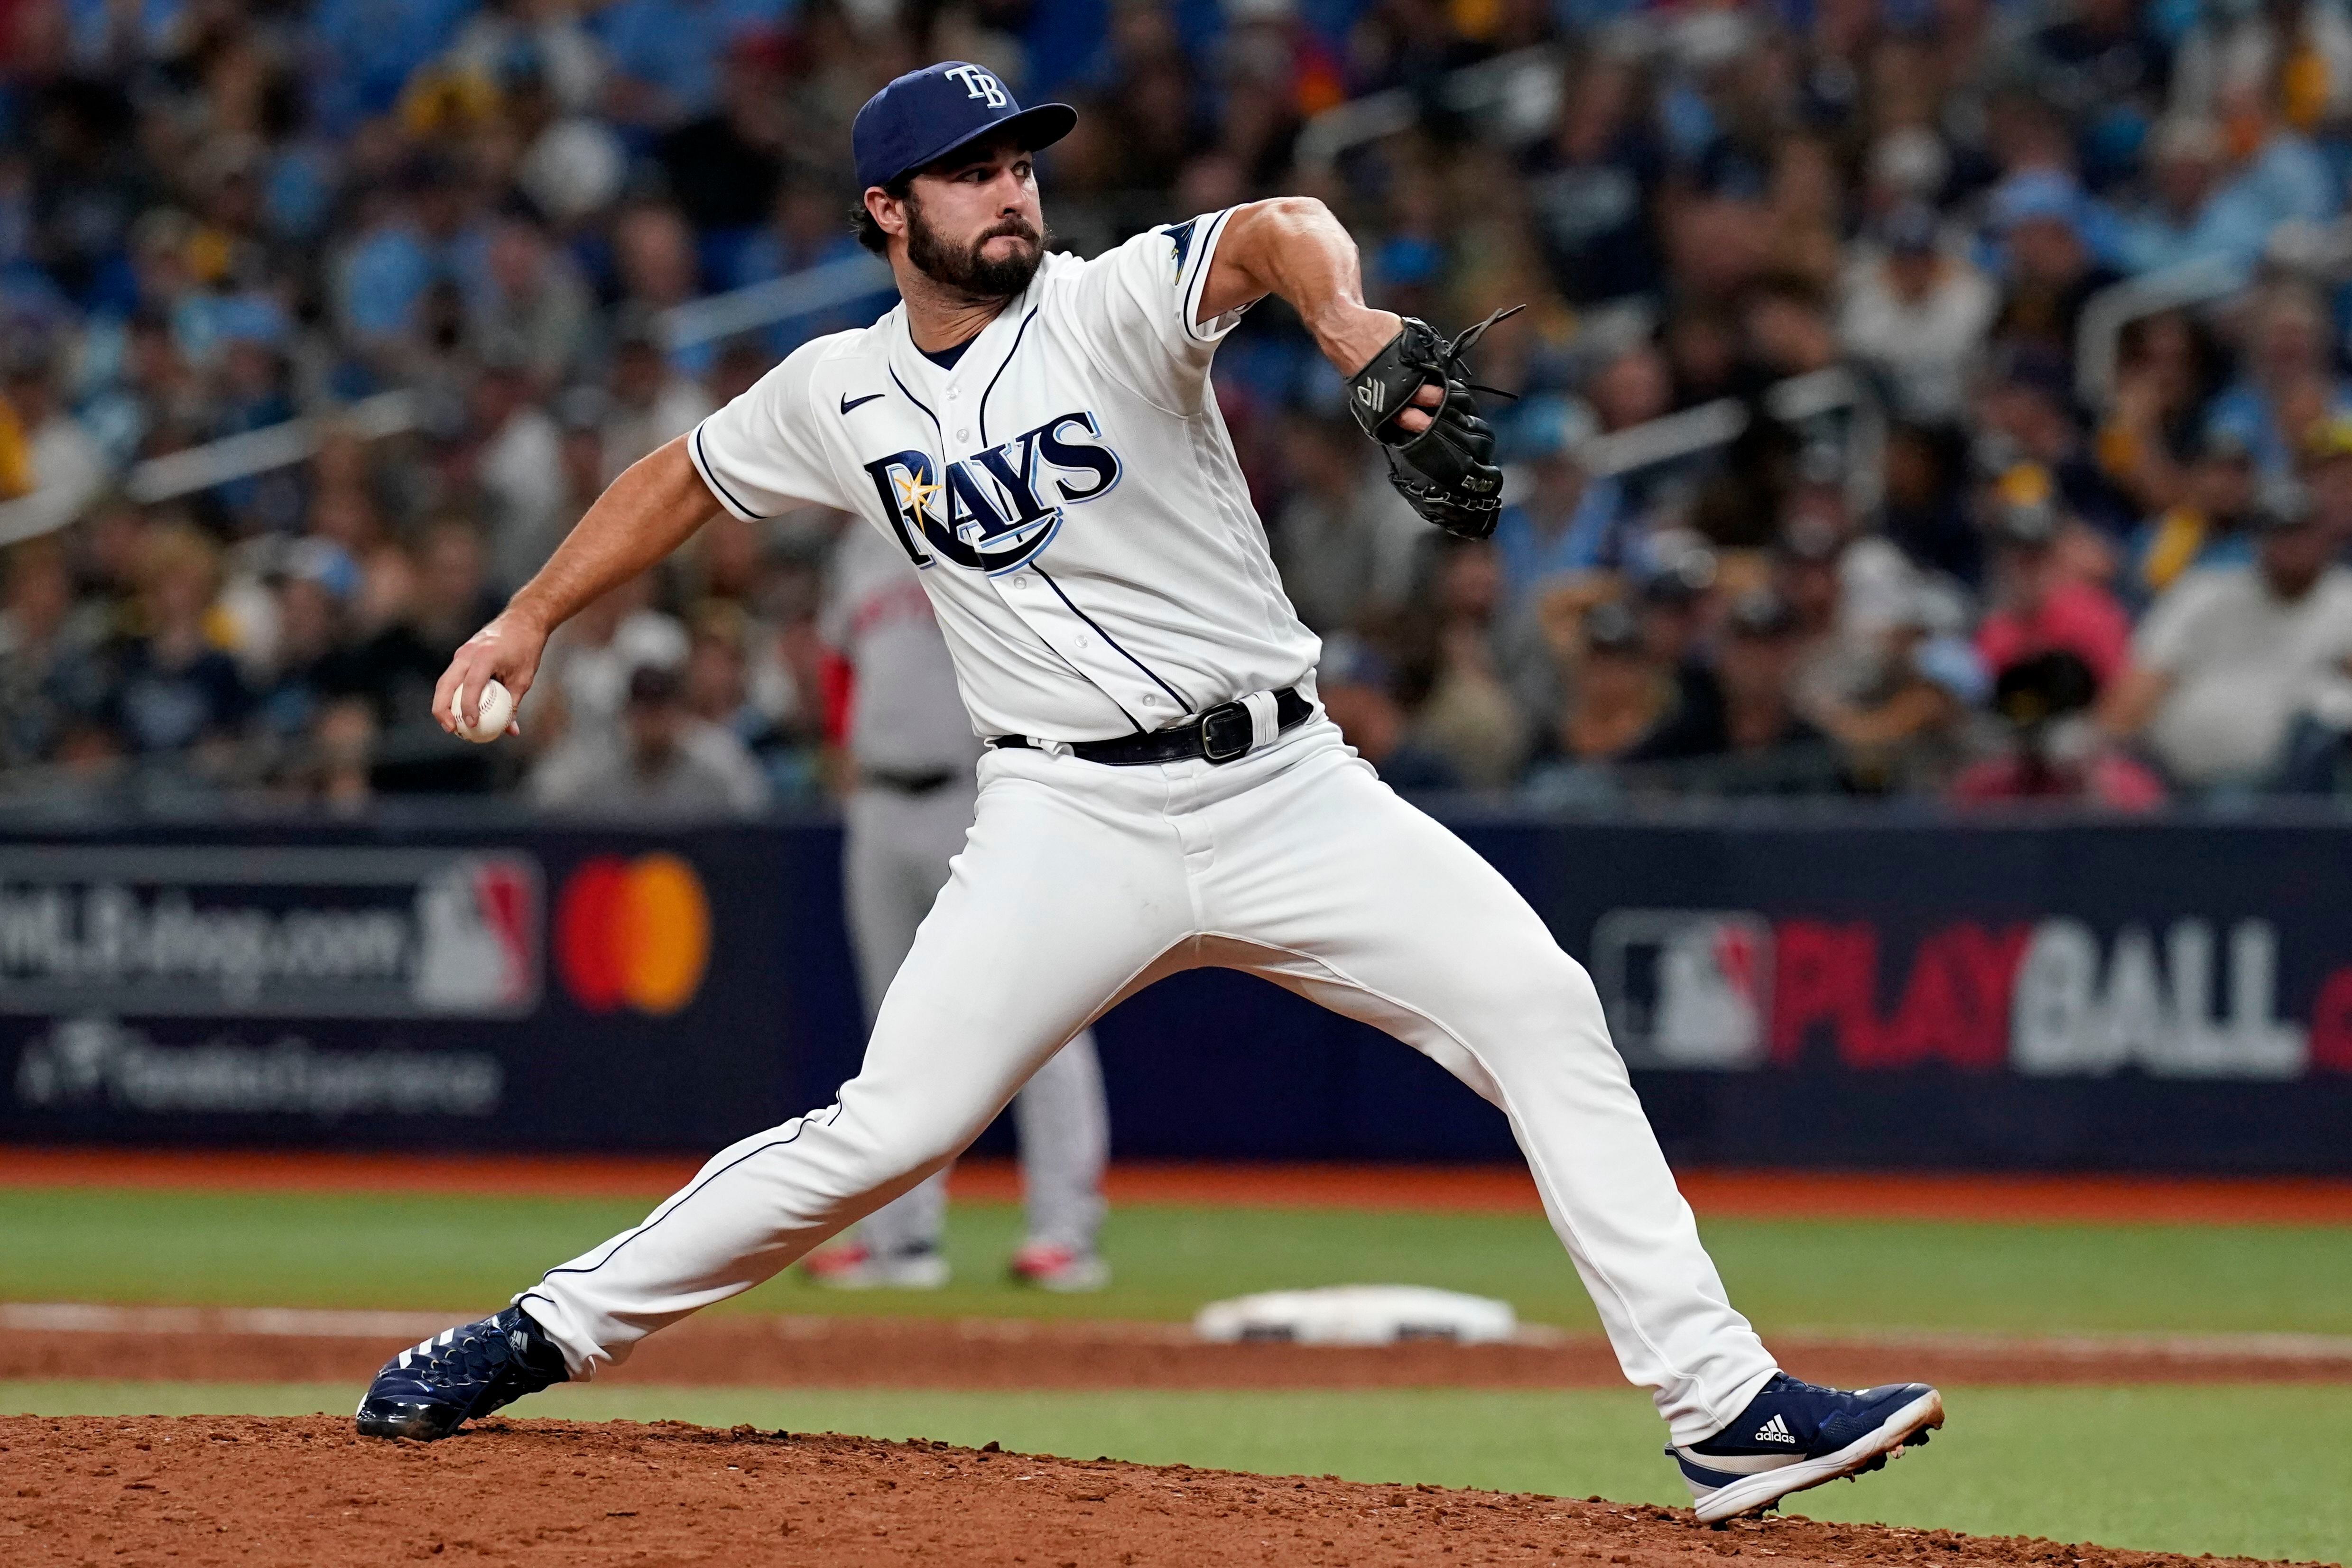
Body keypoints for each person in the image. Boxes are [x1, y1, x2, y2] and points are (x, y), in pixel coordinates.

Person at [359, 63, 1943, 1524]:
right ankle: (536, 1329)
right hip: (1067, 823)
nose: (1008, 191)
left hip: (1289, 786)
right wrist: (526, 616)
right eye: (964, 172)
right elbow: (678, 478)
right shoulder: (836, 392)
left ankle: (1721, 1404)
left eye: (1017, 163)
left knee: (1539, 1007)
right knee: (884, 1132)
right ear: (884, 213)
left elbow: (1272, 229)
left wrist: (1346, 326)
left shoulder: (1111, 305)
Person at [802, 519, 1113, 1292]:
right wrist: (842, 744)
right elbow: (841, 659)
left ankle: (1064, 1230)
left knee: (1036, 1006)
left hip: (977, 791)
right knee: (896, 1024)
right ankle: (900, 1240)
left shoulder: (992, 516)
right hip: (878, 799)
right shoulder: (859, 544)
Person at [2102, 480, 2352, 791]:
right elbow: (2141, 687)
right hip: (2173, 781)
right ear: (2255, 539)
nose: (2291, 546)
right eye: (2279, 533)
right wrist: (2103, 747)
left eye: (2302, 532)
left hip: (2295, 791)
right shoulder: (2205, 593)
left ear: (2326, 539)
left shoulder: (2344, 601)